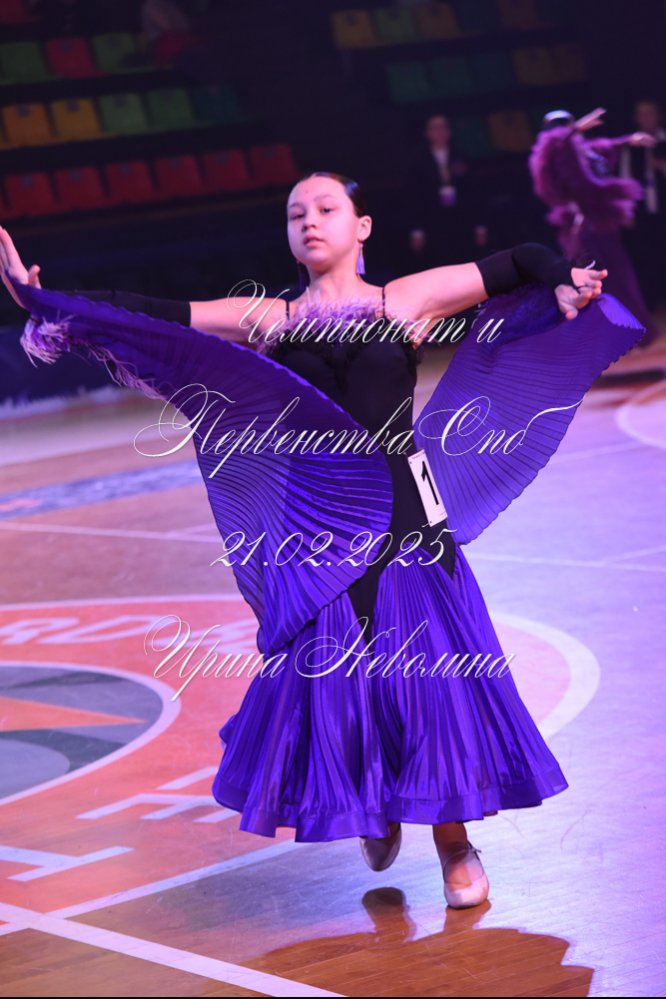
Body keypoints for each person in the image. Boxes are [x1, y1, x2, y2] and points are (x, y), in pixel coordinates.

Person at [0, 171, 645, 910]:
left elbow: (522, 259)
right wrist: (44, 300)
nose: (309, 221)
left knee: (429, 683)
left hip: (405, 521)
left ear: (361, 226)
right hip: (319, 530)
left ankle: (454, 842)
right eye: (295, 213)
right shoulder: (269, 318)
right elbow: (153, 314)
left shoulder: (405, 300)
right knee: (339, 682)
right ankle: (374, 805)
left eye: (327, 208)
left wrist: (562, 279)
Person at [528, 106, 660, 346]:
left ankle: (628, 331)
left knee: (617, 276)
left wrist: (628, 140)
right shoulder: (554, 153)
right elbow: (557, 149)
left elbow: (600, 148)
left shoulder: (579, 150)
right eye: (565, 128)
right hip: (583, 227)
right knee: (596, 281)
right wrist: (574, 128)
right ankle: (605, 336)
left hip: (599, 223)